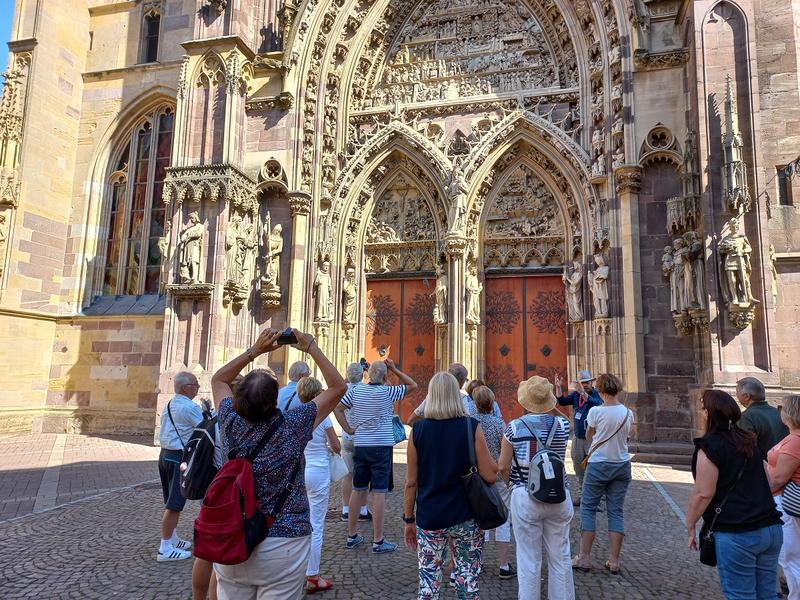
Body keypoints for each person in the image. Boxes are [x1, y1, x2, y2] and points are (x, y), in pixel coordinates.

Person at [211, 328, 347, 599]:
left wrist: (255, 350)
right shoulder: (292, 425)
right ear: (275, 400)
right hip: (284, 541)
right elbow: (338, 387)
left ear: (237, 399)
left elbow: (218, 379)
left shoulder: (228, 421)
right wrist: (311, 347)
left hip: (233, 536)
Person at [403, 372, 499, 599]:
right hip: (466, 516)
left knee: (428, 581)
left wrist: (409, 519)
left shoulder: (418, 431)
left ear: (432, 396)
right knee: (468, 581)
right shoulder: (471, 427)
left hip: (430, 516)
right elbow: (490, 475)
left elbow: (411, 482)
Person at [687, 389, 783, 600]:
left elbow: (703, 493)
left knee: (741, 595)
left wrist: (691, 523)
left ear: (708, 413)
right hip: (770, 528)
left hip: (738, 532)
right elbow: (769, 481)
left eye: (703, 408)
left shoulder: (709, 447)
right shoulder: (749, 441)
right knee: (767, 595)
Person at [499, 376, 574, 600]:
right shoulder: (562, 425)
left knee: (529, 558)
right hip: (559, 495)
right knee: (560, 556)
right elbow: (565, 420)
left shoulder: (513, 428)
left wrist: (511, 484)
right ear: (549, 401)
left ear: (525, 401)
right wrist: (553, 406)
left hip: (525, 494)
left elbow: (503, 466)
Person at [334, 359, 417, 553]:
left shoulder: (356, 391)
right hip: (381, 446)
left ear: (367, 375)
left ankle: (351, 535)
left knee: (358, 488)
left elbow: (338, 408)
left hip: (361, 444)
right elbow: (413, 385)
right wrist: (395, 369)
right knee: (379, 492)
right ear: (385, 376)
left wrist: (348, 428)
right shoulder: (388, 392)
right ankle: (378, 541)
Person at [572, 373, 633, 574]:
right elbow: (626, 435)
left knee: (588, 509)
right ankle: (614, 561)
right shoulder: (627, 412)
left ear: (600, 390)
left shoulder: (596, 412)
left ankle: (584, 558)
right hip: (622, 464)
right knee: (616, 511)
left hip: (598, 464)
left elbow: (589, 435)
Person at [297, 376, 341, 593]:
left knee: (298, 521)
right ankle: (312, 575)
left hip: (300, 472)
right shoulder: (323, 417)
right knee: (316, 524)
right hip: (318, 471)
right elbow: (336, 445)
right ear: (317, 395)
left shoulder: (294, 414)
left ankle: (294, 571)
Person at [157, 371, 203, 562]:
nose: (198, 388)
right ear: (186, 388)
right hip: (178, 457)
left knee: (171, 502)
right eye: (195, 385)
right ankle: (165, 548)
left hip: (165, 455)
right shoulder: (189, 407)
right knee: (175, 505)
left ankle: (172, 538)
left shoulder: (170, 404)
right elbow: (206, 427)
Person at [473, 385, 514, 579]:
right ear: (492, 402)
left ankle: (477, 562)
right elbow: (506, 452)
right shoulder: (500, 424)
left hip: (478, 477)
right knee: (503, 518)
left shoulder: (470, 423)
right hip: (497, 476)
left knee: (479, 519)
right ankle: (504, 565)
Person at [767, 395, 800, 599]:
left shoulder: (796, 440)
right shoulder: (793, 437)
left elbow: (779, 478)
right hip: (782, 500)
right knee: (789, 555)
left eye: (783, 408)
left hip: (786, 502)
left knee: (790, 556)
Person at [554, 370, 603, 505]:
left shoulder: (596, 394)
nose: (584, 385)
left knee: (592, 467)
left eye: (586, 382)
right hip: (577, 437)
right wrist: (558, 387)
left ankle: (596, 499)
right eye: (581, 383)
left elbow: (597, 404)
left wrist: (583, 392)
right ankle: (583, 495)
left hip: (592, 438)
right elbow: (562, 401)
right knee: (578, 465)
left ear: (591, 382)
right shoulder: (576, 395)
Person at [340, 362, 372, 522]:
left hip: (347, 436)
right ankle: (363, 509)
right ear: (362, 374)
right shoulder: (366, 390)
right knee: (364, 474)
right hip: (362, 437)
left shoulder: (342, 390)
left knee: (348, 474)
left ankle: (346, 509)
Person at [408, 363, 482, 424]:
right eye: (466, 379)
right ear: (462, 380)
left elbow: (411, 420)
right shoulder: (463, 399)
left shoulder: (432, 396)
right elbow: (468, 424)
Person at [738, 376, 789, 458]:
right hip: (784, 465)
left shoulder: (746, 417)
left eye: (737, 392)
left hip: (762, 468)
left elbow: (746, 450)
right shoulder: (779, 413)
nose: (737, 395)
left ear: (746, 396)